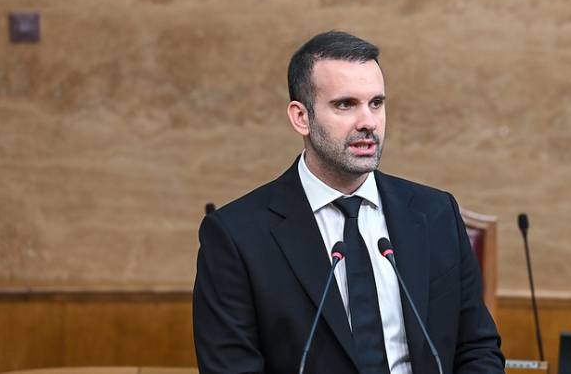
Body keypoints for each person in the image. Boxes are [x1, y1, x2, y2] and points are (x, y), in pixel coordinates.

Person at [193, 31, 506, 374]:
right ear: (301, 117)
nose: (368, 122)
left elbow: (477, 349)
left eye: (376, 103)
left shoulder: (436, 214)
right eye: (345, 105)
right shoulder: (237, 236)